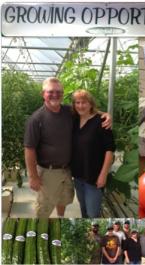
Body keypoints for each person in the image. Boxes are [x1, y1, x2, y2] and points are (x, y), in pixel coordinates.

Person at [24, 77, 111, 218]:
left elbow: (87, 110)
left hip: (67, 170)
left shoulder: (67, 112)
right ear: (43, 94)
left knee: (63, 199)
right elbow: (29, 149)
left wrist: (106, 115)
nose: (55, 95)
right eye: (51, 92)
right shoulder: (36, 119)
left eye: (59, 92)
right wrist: (33, 176)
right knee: (44, 207)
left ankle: (60, 219)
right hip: (48, 172)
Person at [71, 89, 115, 218]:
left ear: (91, 103)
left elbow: (109, 150)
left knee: (92, 213)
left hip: (94, 177)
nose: (80, 105)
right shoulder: (74, 120)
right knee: (83, 208)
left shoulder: (101, 122)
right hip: (78, 176)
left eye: (84, 102)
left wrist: (103, 175)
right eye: (77, 102)